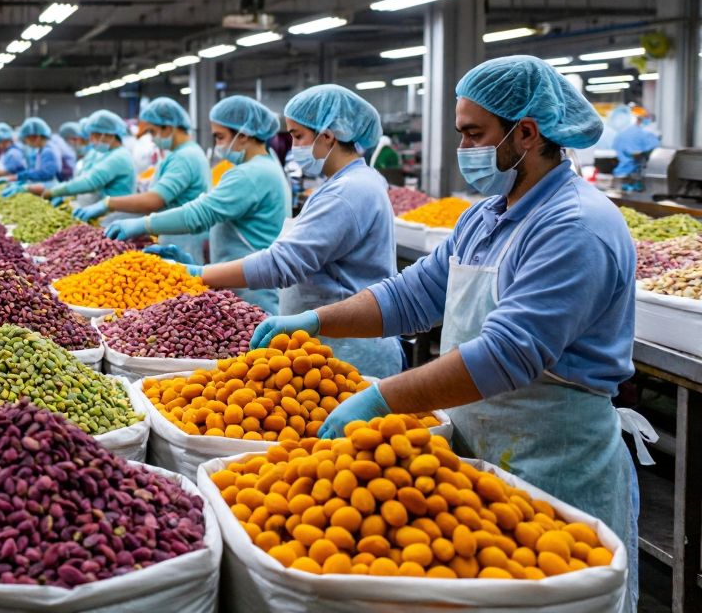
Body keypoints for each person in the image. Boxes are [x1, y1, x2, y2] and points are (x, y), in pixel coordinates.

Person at [249, 56, 643, 607]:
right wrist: (316, 320)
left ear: (525, 133)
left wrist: (381, 398)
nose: (464, 149)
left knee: (549, 592)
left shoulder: (576, 226)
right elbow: (409, 297)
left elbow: (508, 355)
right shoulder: (484, 217)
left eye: (473, 133)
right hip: (477, 445)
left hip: (554, 457)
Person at [184, 85, 401, 376]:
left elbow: (283, 263)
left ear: (327, 136)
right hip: (332, 343)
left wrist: (197, 274)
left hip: (347, 351)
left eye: (298, 136)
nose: (293, 145)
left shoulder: (347, 193)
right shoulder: (349, 183)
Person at [105, 95, 290, 314]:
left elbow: (200, 213)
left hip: (252, 291)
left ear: (244, 135)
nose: (218, 144)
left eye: (220, 137)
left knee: (255, 341)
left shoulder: (250, 174)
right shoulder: (266, 166)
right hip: (244, 282)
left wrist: (144, 224)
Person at [75, 98, 211, 263]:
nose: (152, 139)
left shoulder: (184, 157)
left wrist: (108, 203)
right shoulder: (183, 153)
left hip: (182, 238)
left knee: (187, 284)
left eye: (152, 132)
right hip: (175, 232)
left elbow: (154, 200)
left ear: (168, 128)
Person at [42, 110, 136, 211]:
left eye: (95, 135)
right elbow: (85, 176)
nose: (91, 140)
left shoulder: (119, 157)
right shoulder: (107, 154)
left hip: (116, 214)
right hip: (106, 212)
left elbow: (90, 182)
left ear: (110, 135)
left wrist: (54, 192)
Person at [0, 117, 60, 196]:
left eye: (27, 139)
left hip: (50, 188)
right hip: (44, 187)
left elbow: (46, 174)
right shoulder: (41, 150)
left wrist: (23, 180)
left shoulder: (48, 151)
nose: (26, 142)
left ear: (36, 137)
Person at [612, 108, 660, 193]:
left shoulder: (621, 134)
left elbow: (617, 149)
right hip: (637, 176)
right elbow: (656, 151)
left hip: (620, 173)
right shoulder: (645, 135)